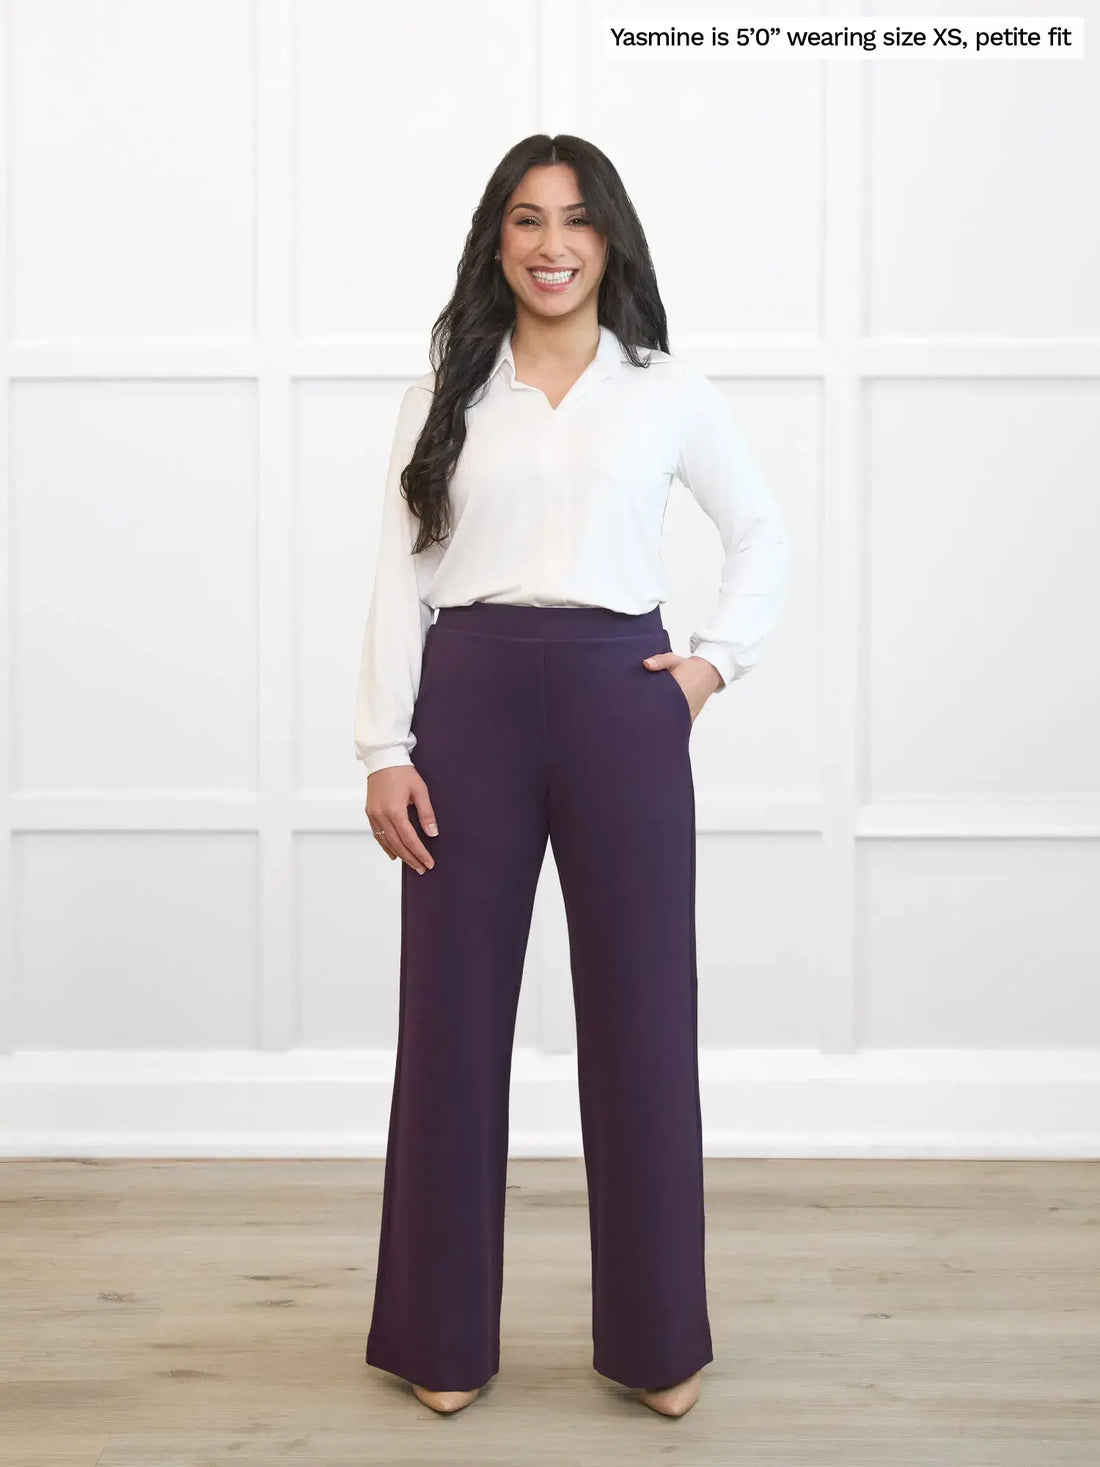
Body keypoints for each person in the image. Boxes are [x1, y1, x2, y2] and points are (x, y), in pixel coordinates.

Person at [354, 134, 789, 1419]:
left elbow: (758, 531)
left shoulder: (664, 389)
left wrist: (711, 665)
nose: (552, 244)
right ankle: (438, 1340)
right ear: (496, 240)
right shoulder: (448, 383)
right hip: (468, 702)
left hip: (621, 703)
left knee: (645, 1019)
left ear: (609, 241)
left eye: (576, 221)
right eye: (527, 220)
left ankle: (660, 1344)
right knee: (449, 1022)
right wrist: (384, 746)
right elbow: (395, 565)